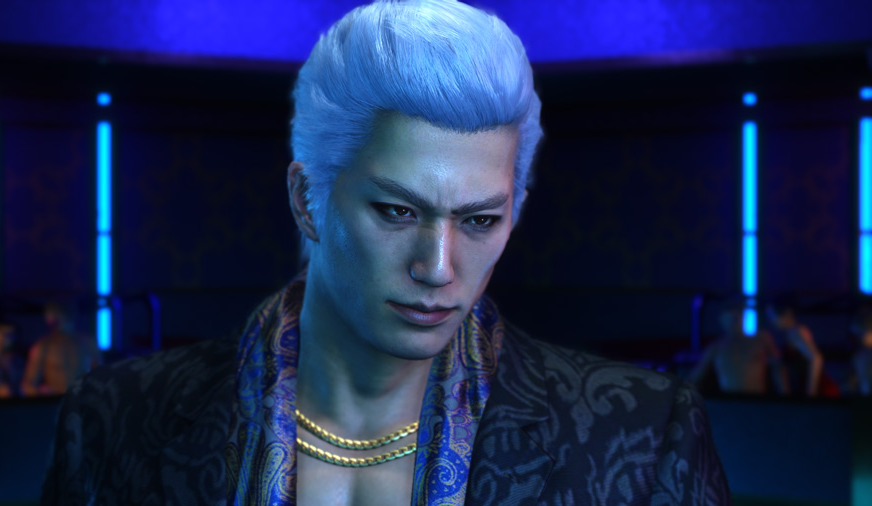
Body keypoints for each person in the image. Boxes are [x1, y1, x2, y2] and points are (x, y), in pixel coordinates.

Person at [42, 1, 730, 504]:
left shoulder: (642, 433)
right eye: (398, 211)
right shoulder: (116, 420)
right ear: (307, 199)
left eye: (480, 220)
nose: (437, 267)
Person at [690, 298, 786, 395]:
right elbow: (694, 378)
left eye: (736, 318)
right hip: (730, 401)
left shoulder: (761, 339)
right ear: (721, 320)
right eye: (728, 319)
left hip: (757, 400)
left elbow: (778, 369)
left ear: (743, 317)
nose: (732, 323)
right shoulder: (716, 348)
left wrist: (785, 398)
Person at [21, 301, 100, 396]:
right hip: (56, 402)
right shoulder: (43, 346)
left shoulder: (88, 343)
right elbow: (28, 385)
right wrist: (42, 394)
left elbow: (100, 380)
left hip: (80, 401)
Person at [765, 295, 829, 397]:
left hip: (818, 391)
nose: (772, 321)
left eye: (773, 316)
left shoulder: (797, 332)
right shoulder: (792, 333)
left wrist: (811, 392)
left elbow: (816, 358)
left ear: (786, 313)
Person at [848, 307, 872, 395]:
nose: (861, 336)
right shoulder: (859, 356)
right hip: (865, 399)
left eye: (864, 332)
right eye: (860, 333)